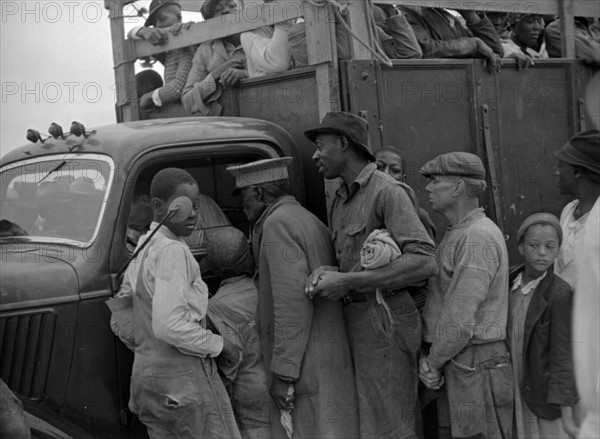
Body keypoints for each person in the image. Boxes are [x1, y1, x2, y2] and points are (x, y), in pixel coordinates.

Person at [304, 112, 438, 438]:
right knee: (374, 423)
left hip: (387, 321)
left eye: (321, 146)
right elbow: (360, 263)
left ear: (343, 143)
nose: (315, 155)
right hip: (361, 321)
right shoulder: (340, 198)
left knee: (392, 425)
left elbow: (424, 261)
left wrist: (347, 281)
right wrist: (331, 272)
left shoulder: (387, 192)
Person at [226, 157, 359, 438]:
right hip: (323, 357)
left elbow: (291, 306)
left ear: (259, 192)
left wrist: (283, 376)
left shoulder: (277, 224)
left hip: (303, 363)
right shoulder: (304, 218)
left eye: (245, 196)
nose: (243, 204)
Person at [122, 167, 241, 439]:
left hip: (147, 384)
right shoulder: (172, 250)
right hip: (182, 385)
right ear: (157, 205)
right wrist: (221, 345)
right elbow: (170, 326)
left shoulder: (143, 246)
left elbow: (123, 318)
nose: (193, 214)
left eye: (197, 206)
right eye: (184, 205)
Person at [418, 152, 513, 439]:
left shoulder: (476, 236)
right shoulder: (460, 232)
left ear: (458, 187)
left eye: (435, 181)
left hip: (475, 362)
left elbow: (459, 320)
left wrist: (432, 364)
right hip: (460, 361)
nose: (428, 188)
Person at [508, 213, 578, 439]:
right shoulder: (509, 283)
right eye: (533, 245)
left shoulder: (560, 293)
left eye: (550, 246)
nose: (541, 253)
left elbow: (562, 354)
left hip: (542, 392)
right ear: (520, 247)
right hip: (511, 385)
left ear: (558, 250)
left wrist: (567, 414)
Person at [554, 129, 600, 439]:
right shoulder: (569, 212)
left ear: (579, 171)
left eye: (562, 166)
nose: (557, 172)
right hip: (569, 333)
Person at [206, 226, 271, 439]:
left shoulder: (214, 307)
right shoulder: (267, 288)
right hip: (282, 382)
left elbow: (228, 363)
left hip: (248, 392)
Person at [288, 3, 422, 68]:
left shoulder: (368, 30)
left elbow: (410, 53)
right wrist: (346, 11)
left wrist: (390, 10)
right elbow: (345, 54)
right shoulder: (299, 33)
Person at [181, 0, 248, 116]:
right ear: (211, 21)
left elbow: (281, 69)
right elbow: (187, 100)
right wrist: (214, 76)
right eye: (218, 10)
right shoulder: (204, 51)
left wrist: (246, 74)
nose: (225, 10)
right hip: (228, 123)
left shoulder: (261, 34)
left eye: (231, 5)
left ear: (242, 10)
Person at [128, 0, 195, 111]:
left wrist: (149, 97)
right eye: (155, 23)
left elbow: (178, 88)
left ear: (179, 18)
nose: (158, 25)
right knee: (147, 77)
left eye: (162, 19)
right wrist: (142, 31)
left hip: (186, 107)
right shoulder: (167, 47)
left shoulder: (187, 42)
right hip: (174, 105)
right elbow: (130, 35)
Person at [398, 6, 503, 73]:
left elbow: (494, 50)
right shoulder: (403, 14)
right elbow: (427, 49)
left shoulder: (443, 13)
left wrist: (467, 12)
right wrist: (474, 44)